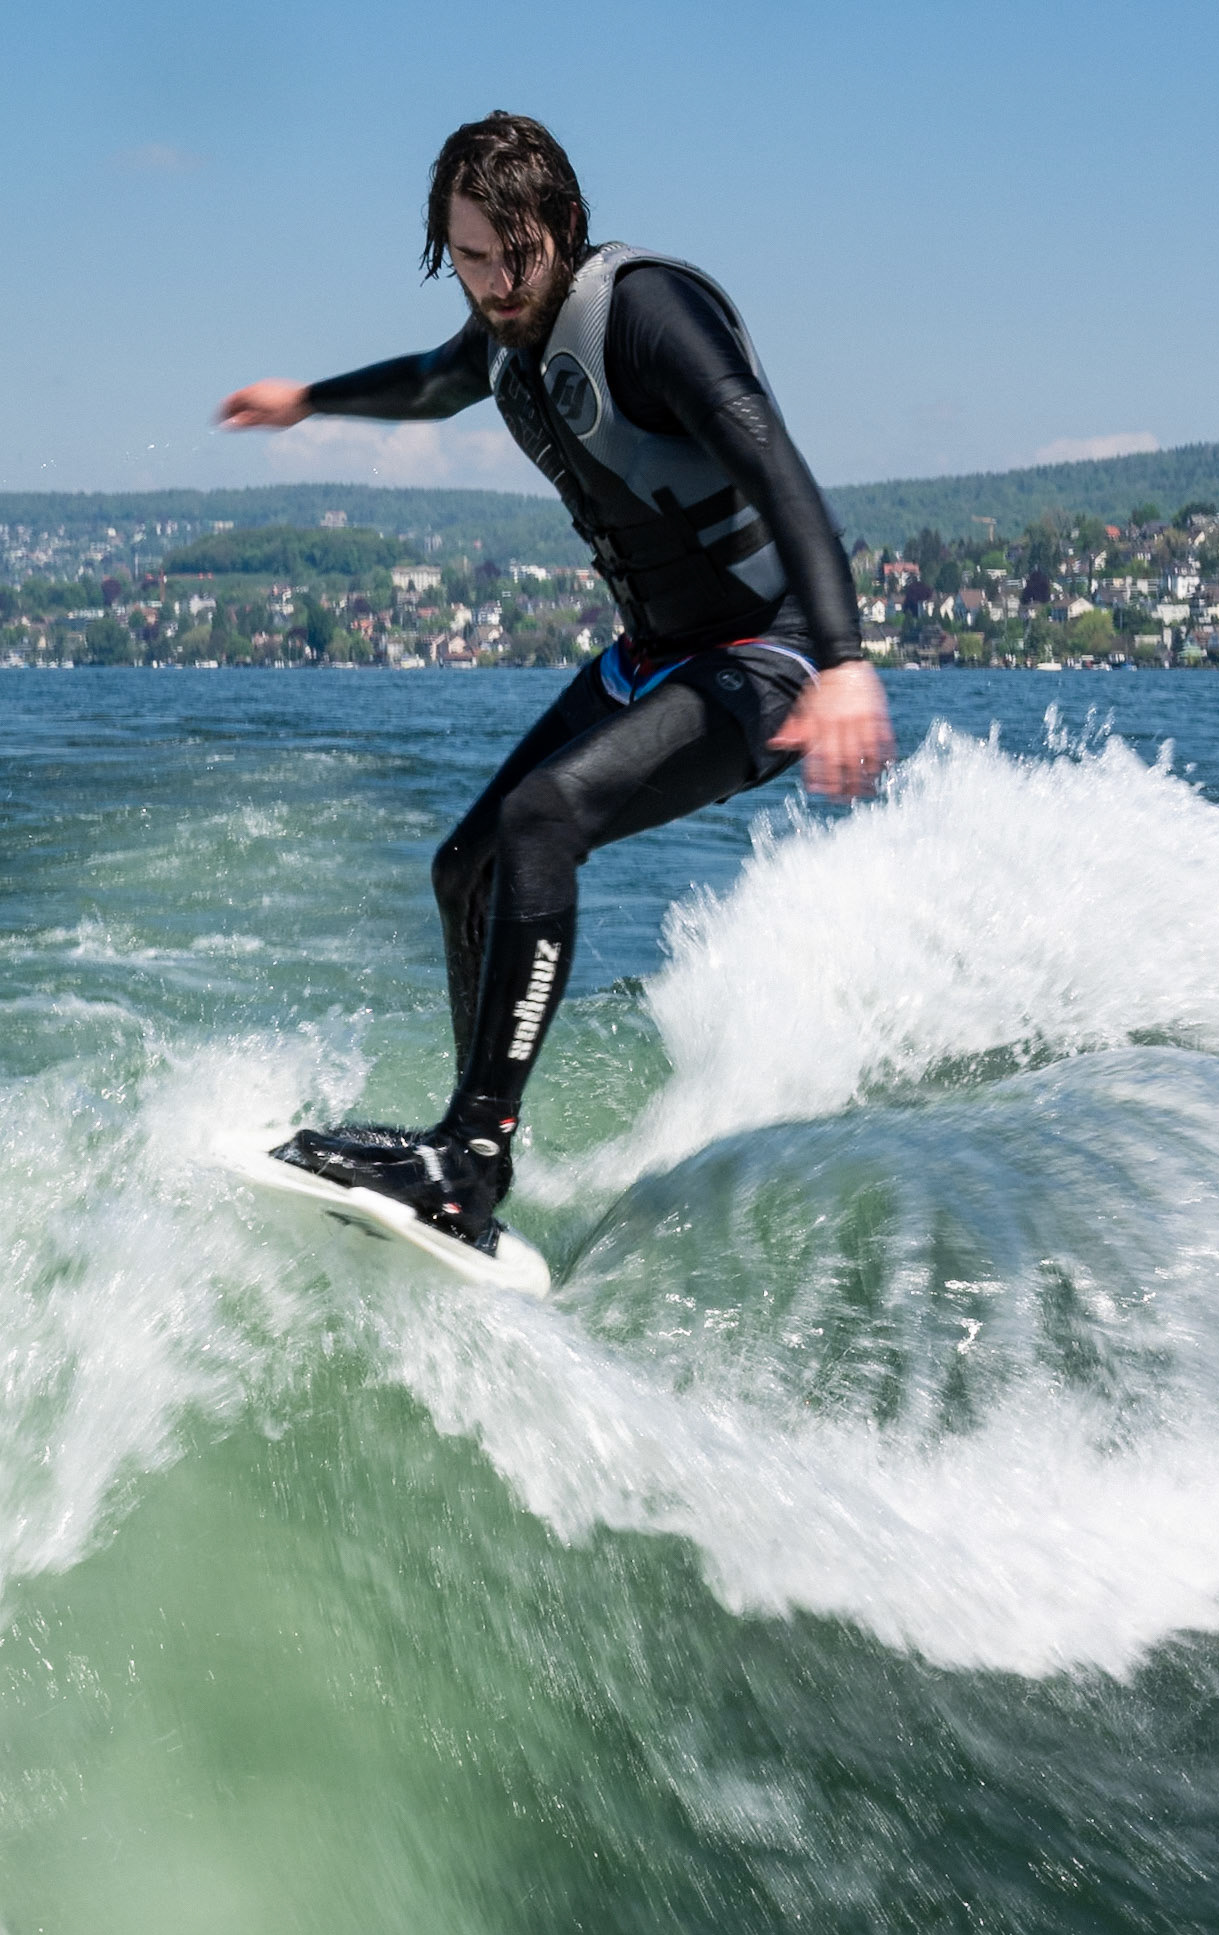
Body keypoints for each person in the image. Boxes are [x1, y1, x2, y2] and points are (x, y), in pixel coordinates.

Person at [220, 110, 893, 1252]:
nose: (491, 282)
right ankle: (473, 1136)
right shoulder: (502, 332)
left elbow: (778, 467)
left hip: (767, 658)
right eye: (468, 257)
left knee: (544, 817)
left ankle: (469, 1154)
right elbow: (432, 385)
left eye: (511, 253)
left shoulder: (645, 315)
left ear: (562, 225)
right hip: (653, 654)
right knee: (464, 867)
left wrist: (845, 661)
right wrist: (311, 399)